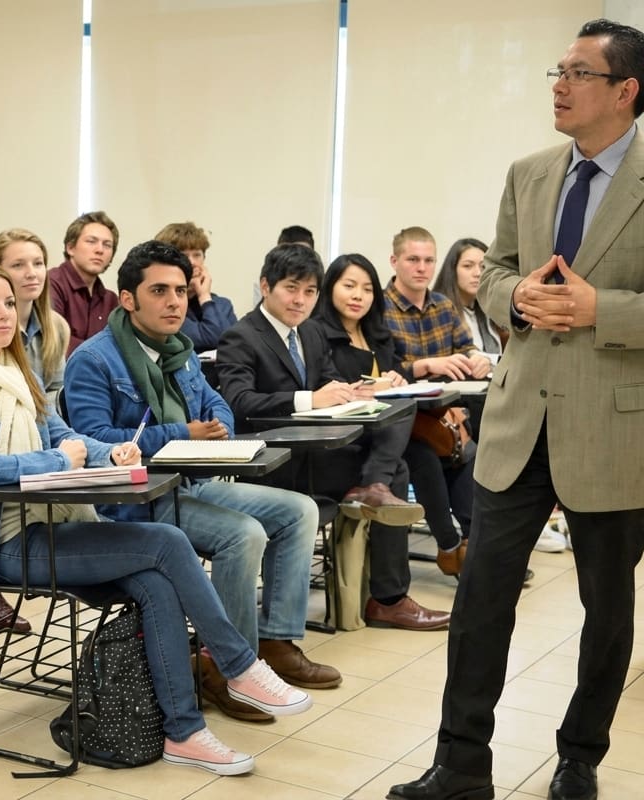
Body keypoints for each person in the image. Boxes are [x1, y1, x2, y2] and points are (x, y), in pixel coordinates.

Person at [0, 260, 313, 776]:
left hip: (46, 528)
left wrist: (113, 453)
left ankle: (184, 733)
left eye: (9, 303)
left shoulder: (19, 376)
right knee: (166, 542)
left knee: (157, 583)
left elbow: (68, 438)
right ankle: (238, 666)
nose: (4, 314)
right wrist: (60, 461)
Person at [390, 19, 644, 800]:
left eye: (579, 72)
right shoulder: (529, 173)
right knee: (480, 602)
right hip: (516, 426)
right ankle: (461, 766)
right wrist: (513, 296)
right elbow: (496, 270)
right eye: (557, 71)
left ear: (626, 91)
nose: (559, 85)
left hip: (613, 431)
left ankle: (580, 758)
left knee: (606, 611)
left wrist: (604, 309)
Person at [64, 240, 337, 712]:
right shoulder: (94, 360)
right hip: (133, 500)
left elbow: (218, 405)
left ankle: (275, 642)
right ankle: (228, 666)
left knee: (300, 510)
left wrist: (216, 429)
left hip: (190, 483)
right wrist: (182, 433)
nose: (175, 302)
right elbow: (94, 444)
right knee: (243, 535)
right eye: (159, 291)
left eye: (180, 291)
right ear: (127, 299)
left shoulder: (181, 350)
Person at [216, 244, 450, 631]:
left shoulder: (309, 331)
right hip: (281, 460)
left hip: (321, 449)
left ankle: (376, 499)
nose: (300, 300)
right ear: (265, 286)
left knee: (402, 406)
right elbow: (239, 402)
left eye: (310, 292)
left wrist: (360, 391)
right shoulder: (241, 336)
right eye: (291, 289)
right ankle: (388, 595)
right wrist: (309, 398)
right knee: (399, 470)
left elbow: (328, 381)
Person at [310, 254, 475, 578]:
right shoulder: (317, 333)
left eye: (367, 289)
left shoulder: (376, 333)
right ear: (330, 288)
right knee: (408, 449)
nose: (358, 296)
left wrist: (398, 378)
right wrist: (373, 387)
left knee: (432, 456)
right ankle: (377, 485)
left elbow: (398, 371)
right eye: (349, 286)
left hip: (384, 435)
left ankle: (455, 546)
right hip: (350, 436)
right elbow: (327, 384)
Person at [383, 227, 492, 382]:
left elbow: (466, 348)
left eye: (429, 261)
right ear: (394, 262)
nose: (422, 268)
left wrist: (477, 358)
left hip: (449, 394)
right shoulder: (377, 307)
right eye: (413, 259)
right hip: (401, 395)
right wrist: (426, 365)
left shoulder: (444, 305)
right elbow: (381, 367)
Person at [0, 227, 70, 402]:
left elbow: (57, 393)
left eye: (38, 263)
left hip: (45, 417)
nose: (32, 273)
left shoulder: (56, 325)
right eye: (18, 265)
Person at [153, 222, 238, 352]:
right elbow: (211, 339)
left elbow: (235, 345)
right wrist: (204, 295)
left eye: (197, 255)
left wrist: (205, 297)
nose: (192, 262)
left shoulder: (223, 305)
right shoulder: (168, 305)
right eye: (184, 255)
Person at [47, 211, 120, 355]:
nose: (99, 250)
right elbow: (55, 340)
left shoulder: (111, 300)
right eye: (91, 241)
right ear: (70, 248)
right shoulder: (51, 283)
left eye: (107, 245)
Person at [434, 237, 506, 359]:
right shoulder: (438, 310)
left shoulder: (487, 309)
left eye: (483, 267)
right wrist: (495, 361)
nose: (478, 273)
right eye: (468, 266)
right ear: (452, 270)